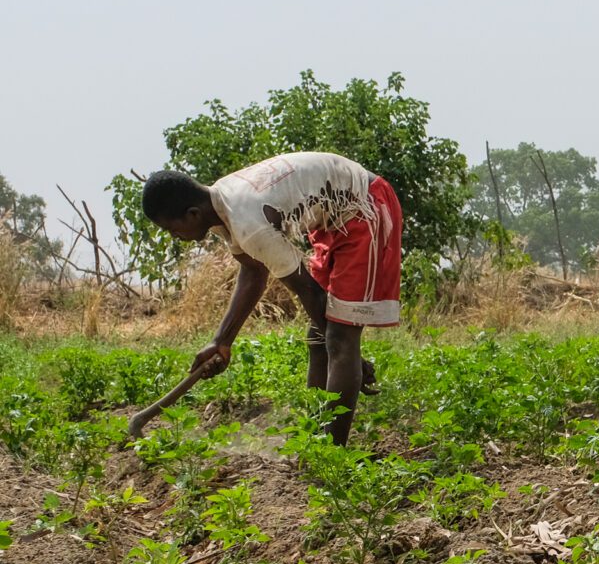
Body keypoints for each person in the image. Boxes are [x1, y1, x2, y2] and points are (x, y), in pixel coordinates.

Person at [141, 151, 403, 446]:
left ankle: (334, 455)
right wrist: (222, 341)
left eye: (172, 229)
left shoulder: (248, 221)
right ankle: (316, 441)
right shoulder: (220, 205)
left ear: (192, 214)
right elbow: (253, 273)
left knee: (339, 339)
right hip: (334, 218)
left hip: (363, 206)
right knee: (321, 339)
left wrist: (352, 355)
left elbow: (308, 292)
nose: (175, 236)